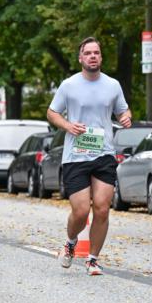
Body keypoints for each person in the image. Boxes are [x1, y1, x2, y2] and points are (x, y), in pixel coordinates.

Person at [46, 37, 132, 276]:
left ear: (100, 57)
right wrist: (67, 125)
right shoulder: (69, 85)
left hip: (104, 152)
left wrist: (126, 118)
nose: (93, 56)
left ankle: (93, 259)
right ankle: (71, 241)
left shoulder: (113, 85)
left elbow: (123, 110)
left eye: (97, 52)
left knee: (102, 208)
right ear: (81, 58)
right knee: (81, 211)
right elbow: (52, 112)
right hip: (76, 154)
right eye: (88, 53)